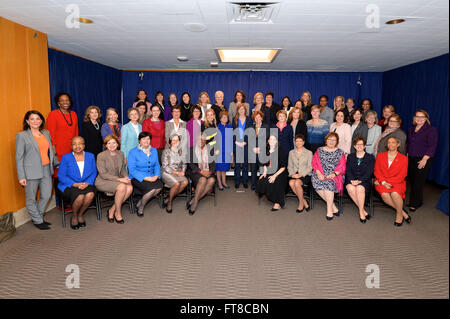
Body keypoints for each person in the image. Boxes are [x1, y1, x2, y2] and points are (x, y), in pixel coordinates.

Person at [15, 110, 58, 230]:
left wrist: (56, 163)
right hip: (30, 172)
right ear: (27, 121)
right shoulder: (21, 136)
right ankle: (38, 220)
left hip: (46, 168)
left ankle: (37, 216)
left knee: (46, 194)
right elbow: (19, 157)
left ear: (41, 121)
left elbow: (50, 151)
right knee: (31, 198)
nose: (35, 121)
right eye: (32, 119)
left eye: (38, 118)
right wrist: (21, 176)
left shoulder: (46, 133)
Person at [57, 136, 97, 230]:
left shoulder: (90, 156)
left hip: (86, 183)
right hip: (70, 184)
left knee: (90, 194)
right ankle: (74, 216)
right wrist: (75, 184)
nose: (77, 146)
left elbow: (94, 172)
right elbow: (61, 175)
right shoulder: (66, 157)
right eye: (74, 144)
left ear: (84, 145)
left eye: (80, 143)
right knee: (80, 196)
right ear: (71, 146)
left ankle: (80, 214)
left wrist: (88, 182)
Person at [95, 135, 132, 224]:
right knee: (122, 187)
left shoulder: (121, 153)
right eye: (109, 143)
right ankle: (118, 213)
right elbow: (103, 174)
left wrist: (126, 177)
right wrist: (120, 179)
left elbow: (123, 168)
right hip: (103, 181)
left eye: (114, 143)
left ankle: (112, 210)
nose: (112, 145)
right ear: (105, 145)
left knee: (130, 188)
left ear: (117, 144)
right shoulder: (101, 156)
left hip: (118, 180)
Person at [406, 109, 439, 212]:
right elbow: (409, 144)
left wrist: (424, 159)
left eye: (422, 117)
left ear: (426, 119)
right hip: (411, 157)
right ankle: (419, 200)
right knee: (412, 180)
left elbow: (432, 146)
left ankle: (414, 204)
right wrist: (407, 155)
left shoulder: (431, 129)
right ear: (414, 118)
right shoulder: (411, 128)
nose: (419, 119)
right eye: (417, 116)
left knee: (418, 182)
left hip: (424, 158)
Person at [374, 137, 410, 227]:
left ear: (398, 144)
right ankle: (402, 212)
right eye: (389, 142)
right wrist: (383, 182)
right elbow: (376, 171)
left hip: (397, 182)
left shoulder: (404, 158)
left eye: (393, 142)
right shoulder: (380, 156)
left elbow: (403, 175)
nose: (390, 144)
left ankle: (399, 215)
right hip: (381, 181)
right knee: (385, 194)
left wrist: (387, 182)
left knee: (395, 193)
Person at [311, 132, 346, 220]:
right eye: (329, 139)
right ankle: (333, 207)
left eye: (334, 140)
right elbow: (314, 163)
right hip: (319, 173)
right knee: (317, 183)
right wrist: (319, 173)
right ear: (326, 141)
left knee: (328, 185)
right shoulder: (319, 150)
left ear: (337, 142)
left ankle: (329, 210)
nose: (331, 141)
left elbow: (342, 167)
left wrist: (333, 174)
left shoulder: (340, 152)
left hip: (334, 175)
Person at [127, 132, 163, 217]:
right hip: (137, 178)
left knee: (159, 187)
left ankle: (140, 202)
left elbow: (157, 165)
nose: (146, 141)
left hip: (152, 176)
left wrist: (156, 175)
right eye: (144, 139)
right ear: (139, 141)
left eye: (148, 139)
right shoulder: (133, 152)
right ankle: (141, 207)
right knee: (151, 190)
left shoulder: (154, 150)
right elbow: (132, 170)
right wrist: (146, 178)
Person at [345, 137, 375, 223]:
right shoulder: (350, 156)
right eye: (357, 144)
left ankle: (361, 212)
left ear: (365, 146)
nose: (359, 146)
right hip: (351, 179)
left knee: (359, 188)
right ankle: (363, 211)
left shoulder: (370, 157)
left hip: (364, 180)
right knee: (350, 188)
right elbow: (348, 170)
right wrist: (351, 180)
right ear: (354, 146)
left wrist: (359, 181)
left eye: (361, 144)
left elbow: (370, 172)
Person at [256, 134, 288, 211]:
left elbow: (283, 167)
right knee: (262, 181)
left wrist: (274, 175)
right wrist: (264, 173)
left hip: (280, 172)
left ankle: (278, 202)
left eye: (274, 139)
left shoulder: (280, 150)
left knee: (276, 181)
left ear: (276, 141)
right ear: (268, 141)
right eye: (271, 139)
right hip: (269, 170)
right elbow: (264, 164)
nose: (272, 141)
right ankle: (269, 195)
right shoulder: (266, 150)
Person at [187, 134, 216, 215]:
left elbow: (214, 163)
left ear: (206, 140)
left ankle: (194, 200)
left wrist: (209, 172)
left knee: (212, 180)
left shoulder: (210, 149)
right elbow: (191, 164)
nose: (201, 141)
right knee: (203, 180)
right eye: (200, 139)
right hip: (196, 172)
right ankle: (195, 203)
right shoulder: (191, 149)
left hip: (208, 171)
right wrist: (201, 172)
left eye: (203, 139)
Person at [46, 92, 79, 164]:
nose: (65, 102)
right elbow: (51, 133)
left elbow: (76, 131)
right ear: (58, 103)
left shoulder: (74, 114)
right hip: (59, 149)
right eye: (62, 100)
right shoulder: (53, 114)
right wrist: (53, 149)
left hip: (72, 148)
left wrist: (77, 145)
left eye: (67, 100)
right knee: (60, 172)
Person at [161, 134, 189, 213]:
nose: (175, 142)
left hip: (178, 172)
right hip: (167, 172)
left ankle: (169, 198)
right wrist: (176, 172)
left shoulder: (181, 151)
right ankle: (170, 202)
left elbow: (184, 164)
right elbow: (165, 166)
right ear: (170, 141)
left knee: (185, 182)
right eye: (173, 140)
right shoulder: (166, 151)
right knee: (176, 184)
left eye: (177, 140)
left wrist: (183, 171)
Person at [288, 134, 313, 213]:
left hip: (305, 174)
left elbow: (310, 167)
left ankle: (301, 204)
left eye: (300, 141)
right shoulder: (291, 152)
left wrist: (301, 174)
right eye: (297, 141)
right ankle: (305, 201)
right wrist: (292, 174)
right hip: (294, 173)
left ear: (303, 142)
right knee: (291, 182)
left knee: (297, 183)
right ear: (295, 142)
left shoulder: (309, 152)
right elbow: (289, 166)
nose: (298, 143)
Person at [233, 104, 252, 188]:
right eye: (240, 109)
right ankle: (237, 181)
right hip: (237, 143)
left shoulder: (249, 119)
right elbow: (232, 132)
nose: (241, 110)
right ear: (237, 110)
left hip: (245, 144)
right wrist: (236, 142)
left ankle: (245, 181)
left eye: (243, 109)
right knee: (237, 164)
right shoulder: (235, 119)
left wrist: (246, 142)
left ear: (245, 110)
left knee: (245, 164)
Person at [250, 110, 269, 191]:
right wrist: (253, 148)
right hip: (253, 152)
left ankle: (261, 185)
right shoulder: (251, 128)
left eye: (259, 117)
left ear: (262, 118)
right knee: (253, 169)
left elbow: (267, 139)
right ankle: (253, 185)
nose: (257, 118)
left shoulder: (266, 127)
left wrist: (260, 148)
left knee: (262, 169)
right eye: (256, 117)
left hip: (262, 151)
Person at [216, 111, 233, 190]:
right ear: (220, 118)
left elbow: (231, 139)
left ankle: (224, 182)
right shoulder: (217, 127)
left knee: (224, 168)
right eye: (223, 117)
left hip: (227, 151)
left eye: (226, 117)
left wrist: (231, 151)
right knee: (219, 168)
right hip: (219, 151)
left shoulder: (230, 127)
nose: (225, 118)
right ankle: (219, 184)